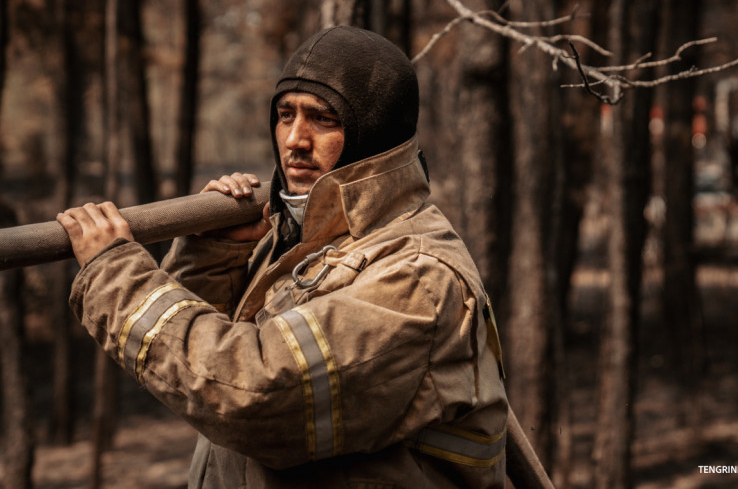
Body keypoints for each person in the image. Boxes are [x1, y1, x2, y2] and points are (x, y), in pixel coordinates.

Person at [57, 26, 508, 488]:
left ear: (374, 136)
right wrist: (216, 252)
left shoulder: (416, 279)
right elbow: (189, 375)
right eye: (285, 114)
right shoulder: (303, 242)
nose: (294, 139)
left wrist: (116, 274)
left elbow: (249, 393)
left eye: (324, 119)